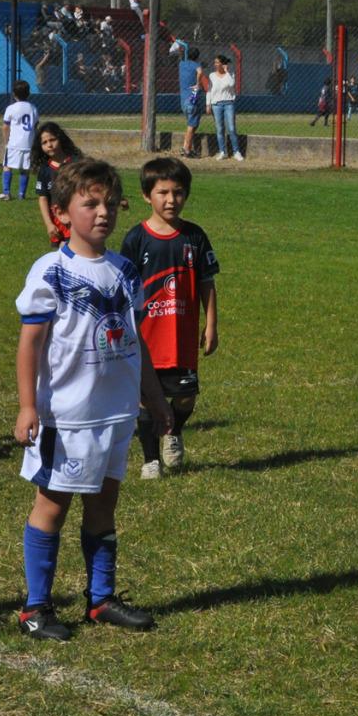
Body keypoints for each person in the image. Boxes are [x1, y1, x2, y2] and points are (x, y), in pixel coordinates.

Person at [13, 159, 171, 641]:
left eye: (108, 203)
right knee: (53, 507)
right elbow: (30, 345)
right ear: (61, 213)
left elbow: (137, 342)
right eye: (89, 203)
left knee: (104, 506)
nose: (102, 212)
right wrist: (27, 406)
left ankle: (100, 599)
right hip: (68, 417)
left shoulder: (124, 270)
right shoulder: (52, 272)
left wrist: (157, 401)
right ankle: (35, 607)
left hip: (115, 413)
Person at [119, 157, 220, 480]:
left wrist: (212, 324)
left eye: (178, 192)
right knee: (146, 399)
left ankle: (173, 429)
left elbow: (207, 281)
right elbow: (123, 287)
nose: (171, 200)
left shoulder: (195, 236)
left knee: (187, 395)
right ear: (147, 196)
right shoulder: (136, 238)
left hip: (182, 335)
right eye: (163, 192)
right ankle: (150, 459)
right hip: (147, 336)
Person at [33, 122, 83, 245]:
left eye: (52, 140)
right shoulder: (44, 170)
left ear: (60, 139)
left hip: (79, 220)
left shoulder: (77, 163)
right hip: (58, 224)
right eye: (44, 143)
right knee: (63, 257)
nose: (49, 145)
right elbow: (43, 198)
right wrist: (49, 224)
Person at [0, 79, 38, 201]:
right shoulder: (33, 108)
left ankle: (6, 193)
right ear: (28, 93)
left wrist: (6, 142)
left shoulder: (11, 108)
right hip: (28, 143)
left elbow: (5, 126)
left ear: (14, 93)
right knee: (25, 169)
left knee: (7, 166)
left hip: (14, 143)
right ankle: (21, 194)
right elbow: (35, 126)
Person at [206, 54, 243, 161]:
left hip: (229, 104)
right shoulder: (212, 75)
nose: (215, 64)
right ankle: (222, 152)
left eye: (217, 62)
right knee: (220, 129)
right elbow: (209, 90)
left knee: (231, 128)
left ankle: (236, 152)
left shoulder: (230, 75)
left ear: (222, 64)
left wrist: (226, 72)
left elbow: (231, 84)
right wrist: (208, 104)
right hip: (216, 104)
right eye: (215, 62)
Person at [179, 47, 205, 158]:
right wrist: (198, 83)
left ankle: (187, 147)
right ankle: (186, 150)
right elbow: (200, 72)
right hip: (193, 96)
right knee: (191, 125)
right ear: (197, 56)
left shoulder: (181, 64)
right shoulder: (196, 65)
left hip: (184, 98)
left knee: (191, 124)